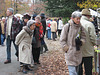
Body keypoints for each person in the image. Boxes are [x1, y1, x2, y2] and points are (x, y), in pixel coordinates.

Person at [60, 11, 86, 75]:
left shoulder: (81, 27)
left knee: (76, 71)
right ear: (72, 18)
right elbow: (62, 39)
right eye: (77, 18)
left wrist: (81, 42)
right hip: (70, 53)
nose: (78, 20)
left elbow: (84, 37)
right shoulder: (67, 26)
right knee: (72, 72)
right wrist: (66, 48)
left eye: (79, 18)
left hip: (78, 52)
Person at [78, 9, 96, 75]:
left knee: (78, 69)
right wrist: (94, 44)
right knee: (88, 69)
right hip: (87, 50)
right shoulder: (89, 24)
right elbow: (93, 37)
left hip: (77, 49)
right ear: (88, 16)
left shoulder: (76, 23)